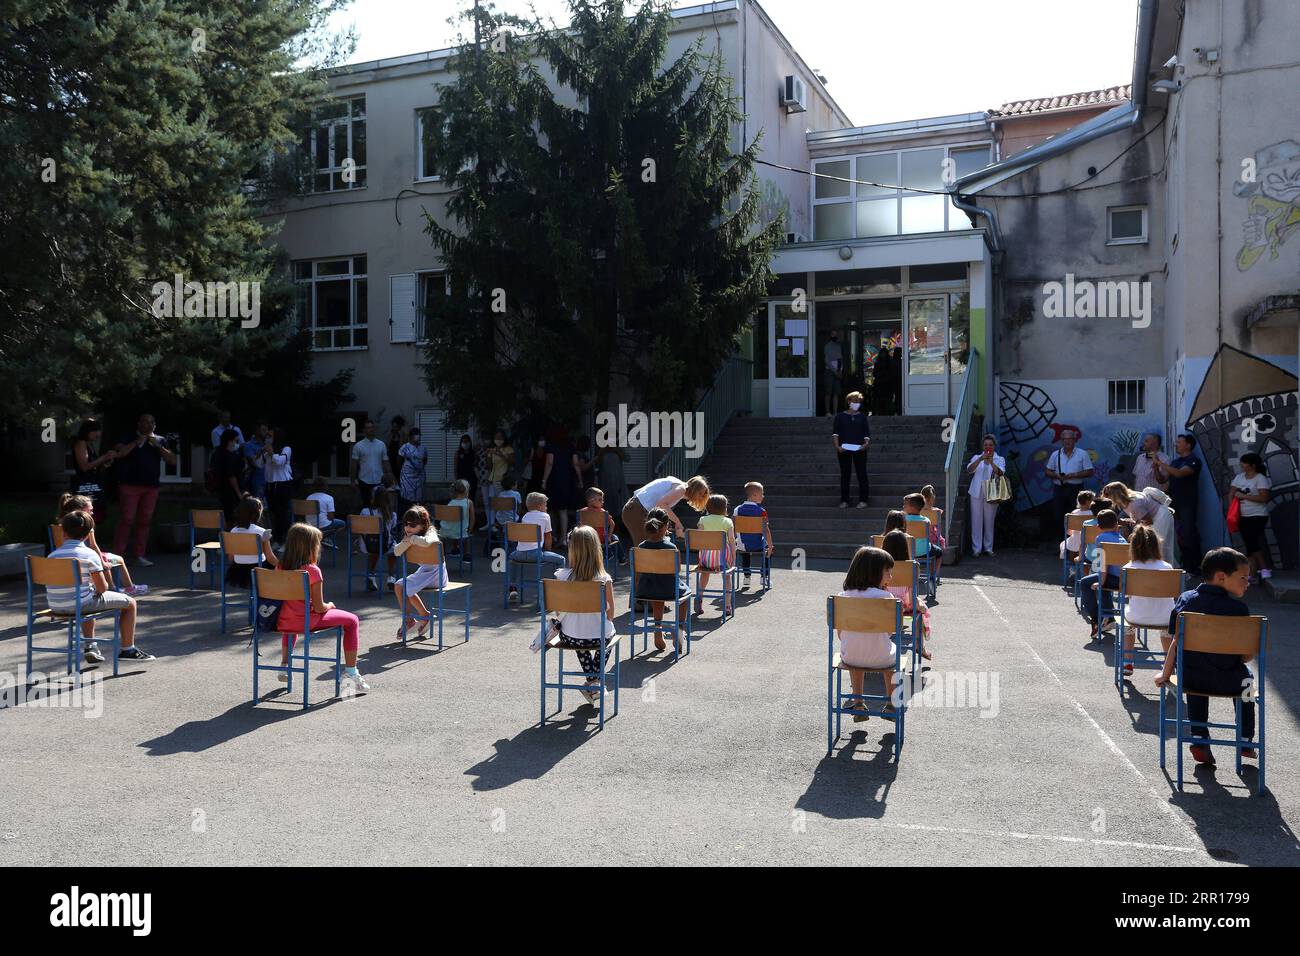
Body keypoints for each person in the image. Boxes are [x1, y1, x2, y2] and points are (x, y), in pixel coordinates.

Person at [1155, 547, 1257, 764]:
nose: (1247, 582)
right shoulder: (1238, 609)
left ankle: (1200, 736)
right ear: (1221, 577)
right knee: (1248, 680)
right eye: (1243, 578)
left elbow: (1175, 641)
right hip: (1231, 681)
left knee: (1193, 669)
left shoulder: (1186, 600)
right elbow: (1246, 656)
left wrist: (1165, 673)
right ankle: (1246, 738)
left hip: (1191, 681)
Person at [47, 511, 153, 664]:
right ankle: (128, 649)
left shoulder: (52, 556)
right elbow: (102, 588)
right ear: (89, 534)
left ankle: (91, 645)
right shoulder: (89, 554)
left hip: (55, 606)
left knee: (85, 599)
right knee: (130, 604)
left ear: (63, 531)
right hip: (80, 605)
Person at [275, 522, 368, 691]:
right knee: (352, 620)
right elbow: (319, 608)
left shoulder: (280, 566)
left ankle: (285, 665)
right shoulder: (312, 570)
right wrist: (330, 605)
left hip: (283, 621)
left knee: (292, 622)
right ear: (310, 547)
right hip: (307, 621)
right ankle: (351, 673)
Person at [552, 525, 617, 704]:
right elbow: (610, 615)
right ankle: (594, 681)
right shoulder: (604, 579)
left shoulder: (562, 577)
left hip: (572, 638)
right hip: (600, 638)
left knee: (579, 635)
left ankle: (592, 680)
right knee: (608, 636)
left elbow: (559, 612)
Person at [835, 546, 900, 720]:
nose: (890, 576)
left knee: (855, 649)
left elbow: (840, 635)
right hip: (881, 658)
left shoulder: (842, 596)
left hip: (850, 657)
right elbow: (891, 632)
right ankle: (891, 704)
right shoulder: (886, 598)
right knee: (892, 653)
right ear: (875, 572)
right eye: (888, 571)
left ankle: (858, 703)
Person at [112, 413, 178, 567]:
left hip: (151, 487)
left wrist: (158, 446)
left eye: (151, 423)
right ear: (139, 424)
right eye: (145, 422)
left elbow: (172, 460)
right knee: (127, 519)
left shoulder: (160, 440)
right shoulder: (128, 437)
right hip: (129, 485)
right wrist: (137, 442)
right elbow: (120, 453)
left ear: (154, 425)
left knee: (145, 520)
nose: (148, 425)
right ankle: (117, 555)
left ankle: (139, 554)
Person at [57, 493, 146, 596]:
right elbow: (93, 546)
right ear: (80, 510)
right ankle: (123, 588)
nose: (92, 513)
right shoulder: (87, 525)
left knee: (102, 560)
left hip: (69, 557)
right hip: (86, 555)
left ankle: (113, 588)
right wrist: (102, 562)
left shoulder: (61, 525)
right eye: (90, 510)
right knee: (112, 560)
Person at [1118, 525, 1175, 677]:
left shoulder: (1128, 568)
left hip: (1138, 616)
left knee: (1127, 624)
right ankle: (1169, 664)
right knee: (1167, 628)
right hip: (1165, 617)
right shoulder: (1168, 567)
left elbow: (1127, 595)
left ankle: (1127, 661)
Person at [392, 504, 449, 641]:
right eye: (406, 524)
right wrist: (407, 541)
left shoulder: (430, 531)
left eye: (412, 525)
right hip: (424, 572)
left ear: (422, 525)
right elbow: (396, 551)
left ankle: (413, 620)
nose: (408, 528)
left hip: (437, 574)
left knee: (405, 587)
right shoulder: (409, 535)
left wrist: (411, 540)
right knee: (399, 586)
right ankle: (414, 618)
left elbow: (431, 542)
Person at [880, 529, 931, 661]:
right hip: (906, 605)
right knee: (923, 610)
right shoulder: (913, 566)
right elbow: (912, 589)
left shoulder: (879, 564)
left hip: (884, 604)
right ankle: (920, 644)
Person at [634, 508, 681, 652]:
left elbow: (638, 570)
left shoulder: (640, 547)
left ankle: (658, 628)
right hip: (667, 589)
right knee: (686, 594)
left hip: (645, 590)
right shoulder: (671, 547)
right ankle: (680, 629)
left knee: (656, 590)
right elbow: (677, 570)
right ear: (666, 526)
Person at [621, 475, 710, 547]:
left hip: (637, 510)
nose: (700, 497)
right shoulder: (681, 489)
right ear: (694, 489)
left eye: (702, 495)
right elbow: (661, 504)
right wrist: (678, 522)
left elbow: (658, 507)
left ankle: (646, 567)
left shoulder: (677, 485)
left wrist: (662, 527)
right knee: (645, 546)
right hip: (636, 511)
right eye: (700, 493)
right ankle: (642, 568)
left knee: (652, 542)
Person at [1159, 433, 1204, 575]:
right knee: (1179, 536)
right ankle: (1184, 563)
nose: (1176, 444)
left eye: (1179, 442)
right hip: (1174, 504)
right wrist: (1156, 468)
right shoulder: (1175, 462)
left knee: (1188, 533)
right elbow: (1163, 480)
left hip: (1187, 503)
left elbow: (1179, 474)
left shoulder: (1193, 461)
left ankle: (1194, 566)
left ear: (1188, 445)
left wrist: (1160, 462)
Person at [508, 492, 566, 599]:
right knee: (561, 559)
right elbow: (548, 537)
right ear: (539, 506)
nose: (546, 507)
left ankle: (512, 587)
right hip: (535, 554)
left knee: (511, 559)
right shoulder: (545, 516)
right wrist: (548, 550)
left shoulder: (525, 516)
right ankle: (558, 590)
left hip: (519, 554)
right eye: (545, 504)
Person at [1102, 481, 1177, 564]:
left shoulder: (1134, 504)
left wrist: (1135, 534)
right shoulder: (1128, 500)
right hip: (1156, 516)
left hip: (1161, 517)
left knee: (1159, 546)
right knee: (1159, 546)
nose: (1107, 498)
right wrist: (1132, 521)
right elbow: (1143, 517)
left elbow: (1148, 521)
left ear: (1115, 496)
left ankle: (1166, 571)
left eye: (1108, 496)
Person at [1080, 509, 1127, 638]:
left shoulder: (1100, 538)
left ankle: (1096, 618)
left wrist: (1100, 582)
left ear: (1098, 526)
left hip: (1111, 576)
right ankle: (1108, 617)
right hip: (1125, 579)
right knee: (1102, 584)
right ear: (1116, 524)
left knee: (1085, 582)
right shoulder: (1123, 539)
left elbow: (1102, 565)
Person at [1231, 452, 1273, 582]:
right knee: (1249, 543)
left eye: (1245, 462)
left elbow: (1264, 497)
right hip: (1243, 515)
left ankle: (1264, 568)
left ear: (1252, 465)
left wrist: (1244, 496)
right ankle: (1253, 573)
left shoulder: (1260, 478)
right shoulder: (1239, 477)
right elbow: (1232, 492)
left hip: (1258, 515)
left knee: (1252, 542)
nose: (1242, 465)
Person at [1043, 426, 1092, 534]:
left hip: (1076, 489)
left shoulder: (1082, 453)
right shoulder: (1055, 455)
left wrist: (1074, 475)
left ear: (1075, 440)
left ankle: (1075, 541)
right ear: (1061, 440)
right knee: (1059, 515)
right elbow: (1047, 471)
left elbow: (1090, 471)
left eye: (1070, 439)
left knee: (1076, 514)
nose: (1067, 441)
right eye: (1065, 439)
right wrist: (1057, 476)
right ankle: (1062, 542)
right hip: (1059, 488)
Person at [695, 494, 736, 616]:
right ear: (724, 508)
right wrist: (733, 558)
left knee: (704, 573)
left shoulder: (702, 520)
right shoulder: (728, 521)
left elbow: (699, 538)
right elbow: (732, 540)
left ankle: (700, 597)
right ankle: (727, 605)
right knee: (727, 576)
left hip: (706, 559)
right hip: (723, 559)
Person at [225, 495, 278, 590]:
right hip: (258, 568)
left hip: (238, 569)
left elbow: (231, 558)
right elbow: (270, 557)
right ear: (258, 514)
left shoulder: (233, 531)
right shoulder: (261, 531)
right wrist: (283, 566)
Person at [70, 419, 116, 525]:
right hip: (84, 487)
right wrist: (103, 458)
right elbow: (84, 467)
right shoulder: (81, 444)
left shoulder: (89, 444)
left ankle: (90, 540)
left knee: (93, 519)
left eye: (99, 431)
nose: (98, 434)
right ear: (86, 431)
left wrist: (105, 464)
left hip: (93, 484)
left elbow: (93, 467)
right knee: (83, 518)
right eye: (95, 431)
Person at [966, 433, 1005, 557]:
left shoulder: (1000, 459)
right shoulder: (976, 457)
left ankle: (988, 548)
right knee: (976, 520)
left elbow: (1000, 473)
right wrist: (980, 459)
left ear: (994, 446)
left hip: (992, 492)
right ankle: (976, 549)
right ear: (983, 446)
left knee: (989, 520)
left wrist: (992, 462)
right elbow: (969, 469)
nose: (988, 447)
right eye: (986, 445)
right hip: (977, 491)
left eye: (990, 445)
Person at [831, 390, 871, 509]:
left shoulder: (862, 417)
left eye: (858, 401)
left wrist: (866, 444)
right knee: (845, 474)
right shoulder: (840, 417)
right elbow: (835, 433)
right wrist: (837, 446)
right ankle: (844, 500)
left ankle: (863, 500)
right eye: (854, 401)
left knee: (862, 474)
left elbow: (866, 434)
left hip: (859, 449)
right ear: (848, 401)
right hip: (844, 449)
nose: (856, 403)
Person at [733, 481, 774, 587]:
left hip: (742, 545)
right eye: (762, 493)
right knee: (768, 549)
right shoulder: (762, 511)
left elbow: (733, 528)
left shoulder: (737, 510)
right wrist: (770, 546)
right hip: (757, 545)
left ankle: (747, 577)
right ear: (755, 495)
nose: (763, 496)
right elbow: (766, 531)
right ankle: (764, 577)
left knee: (744, 549)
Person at [358, 486, 398, 592]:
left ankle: (371, 574)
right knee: (395, 549)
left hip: (366, 545)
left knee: (374, 548)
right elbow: (392, 529)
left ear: (373, 498)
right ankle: (391, 576)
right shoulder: (392, 515)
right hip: (384, 546)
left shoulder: (365, 512)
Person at [542, 429, 580, 540]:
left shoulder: (551, 446)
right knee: (563, 510)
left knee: (551, 510)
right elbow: (576, 463)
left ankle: (552, 536)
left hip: (553, 480)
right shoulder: (570, 447)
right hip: (567, 480)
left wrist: (544, 480)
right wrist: (580, 479)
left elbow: (549, 463)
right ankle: (563, 538)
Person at [350, 420, 393, 509]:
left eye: (372, 427)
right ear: (364, 430)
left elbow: (386, 462)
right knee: (366, 505)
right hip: (364, 480)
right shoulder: (358, 446)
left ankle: (379, 522)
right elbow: (354, 464)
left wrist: (390, 477)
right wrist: (352, 481)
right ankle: (367, 522)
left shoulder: (381, 444)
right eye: (368, 428)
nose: (371, 429)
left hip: (379, 479)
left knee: (379, 505)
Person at [264, 427, 294, 544]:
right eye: (267, 436)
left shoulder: (286, 449)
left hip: (282, 485)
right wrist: (261, 453)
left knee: (283, 514)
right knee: (273, 514)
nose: (267, 439)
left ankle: (285, 542)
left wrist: (271, 452)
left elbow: (280, 462)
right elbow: (258, 463)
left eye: (270, 436)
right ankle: (277, 539)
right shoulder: (267, 451)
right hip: (270, 485)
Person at [211, 429, 246, 525]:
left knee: (226, 516)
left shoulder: (217, 452)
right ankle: (229, 537)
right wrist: (239, 493)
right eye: (235, 441)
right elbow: (231, 476)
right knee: (231, 516)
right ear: (229, 441)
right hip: (230, 492)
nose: (236, 443)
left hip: (220, 489)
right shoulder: (228, 455)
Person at [1061, 489, 1096, 583]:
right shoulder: (1093, 514)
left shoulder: (1073, 513)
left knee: (1068, 544)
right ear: (1089, 502)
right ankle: (1085, 572)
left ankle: (1073, 568)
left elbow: (1068, 532)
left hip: (1075, 540)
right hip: (1088, 541)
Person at [483, 429, 516, 524]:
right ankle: (492, 525)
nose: (498, 439)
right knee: (492, 502)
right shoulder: (492, 449)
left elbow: (512, 462)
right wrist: (487, 456)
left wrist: (500, 454)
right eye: (496, 437)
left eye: (500, 437)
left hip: (503, 480)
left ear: (504, 438)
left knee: (502, 503)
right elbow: (488, 466)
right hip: (493, 479)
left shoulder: (508, 449)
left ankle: (504, 524)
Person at [901, 492, 935, 579]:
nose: (903, 507)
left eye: (905, 505)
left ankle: (908, 576)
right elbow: (930, 534)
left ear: (912, 508)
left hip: (907, 550)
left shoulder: (903, 519)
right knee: (939, 553)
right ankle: (932, 577)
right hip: (924, 551)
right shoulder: (926, 520)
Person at [577, 487, 618, 557]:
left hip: (586, 540)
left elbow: (579, 526)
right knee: (615, 537)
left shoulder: (581, 512)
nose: (602, 501)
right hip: (601, 540)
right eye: (600, 500)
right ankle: (618, 557)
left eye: (602, 499)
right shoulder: (603, 513)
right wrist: (608, 536)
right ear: (590, 500)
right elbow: (612, 524)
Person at [306, 476, 345, 547]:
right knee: (343, 523)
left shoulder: (309, 497)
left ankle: (317, 536)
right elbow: (331, 517)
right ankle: (324, 538)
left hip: (310, 524)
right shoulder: (329, 498)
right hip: (322, 525)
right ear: (326, 487)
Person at [396, 427, 427, 513]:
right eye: (415, 434)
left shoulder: (423, 448)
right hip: (407, 476)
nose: (417, 437)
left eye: (418, 434)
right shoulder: (405, 447)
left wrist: (419, 467)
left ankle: (417, 515)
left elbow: (425, 460)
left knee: (418, 499)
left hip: (419, 476)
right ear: (410, 437)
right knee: (407, 498)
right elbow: (399, 460)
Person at [440, 479, 474, 555]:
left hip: (445, 531)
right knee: (463, 531)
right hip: (461, 532)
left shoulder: (450, 503)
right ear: (467, 490)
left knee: (454, 525)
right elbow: (472, 519)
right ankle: (466, 553)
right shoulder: (469, 502)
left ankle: (445, 553)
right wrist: (470, 530)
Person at [454, 434, 479, 523]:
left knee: (471, 499)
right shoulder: (458, 453)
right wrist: (456, 480)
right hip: (461, 479)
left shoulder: (474, 453)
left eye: (467, 442)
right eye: (463, 442)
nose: (465, 444)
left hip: (472, 479)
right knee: (461, 500)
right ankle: (462, 520)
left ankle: (471, 521)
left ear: (470, 443)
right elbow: (456, 467)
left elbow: (476, 465)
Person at [242, 423, 270, 499]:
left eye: (267, 430)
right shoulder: (249, 445)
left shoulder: (269, 444)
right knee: (258, 505)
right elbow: (253, 461)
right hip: (258, 480)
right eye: (264, 430)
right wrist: (262, 450)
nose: (266, 432)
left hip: (271, 479)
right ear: (257, 431)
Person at [823, 329, 844, 417]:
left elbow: (840, 359)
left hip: (838, 371)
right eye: (833, 334)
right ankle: (828, 412)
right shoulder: (827, 346)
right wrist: (835, 371)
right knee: (828, 392)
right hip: (830, 371)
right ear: (830, 335)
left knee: (836, 392)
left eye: (836, 334)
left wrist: (840, 370)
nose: (834, 336)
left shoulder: (838, 346)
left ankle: (835, 412)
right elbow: (827, 361)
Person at [387, 416, 407, 482]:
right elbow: (388, 445)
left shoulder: (403, 434)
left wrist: (400, 435)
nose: (394, 428)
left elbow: (402, 447)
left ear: (399, 427)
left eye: (395, 426)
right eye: (393, 426)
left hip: (400, 462)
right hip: (391, 461)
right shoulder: (391, 434)